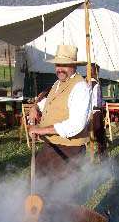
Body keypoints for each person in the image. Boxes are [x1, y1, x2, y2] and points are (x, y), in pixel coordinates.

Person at [28, 44, 91, 182]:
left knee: (59, 195)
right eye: (58, 65)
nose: (60, 69)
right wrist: (35, 108)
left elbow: (76, 125)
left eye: (65, 65)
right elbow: (48, 102)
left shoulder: (80, 88)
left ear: (74, 66)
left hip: (69, 149)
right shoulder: (57, 83)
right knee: (34, 183)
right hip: (51, 145)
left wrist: (41, 130)